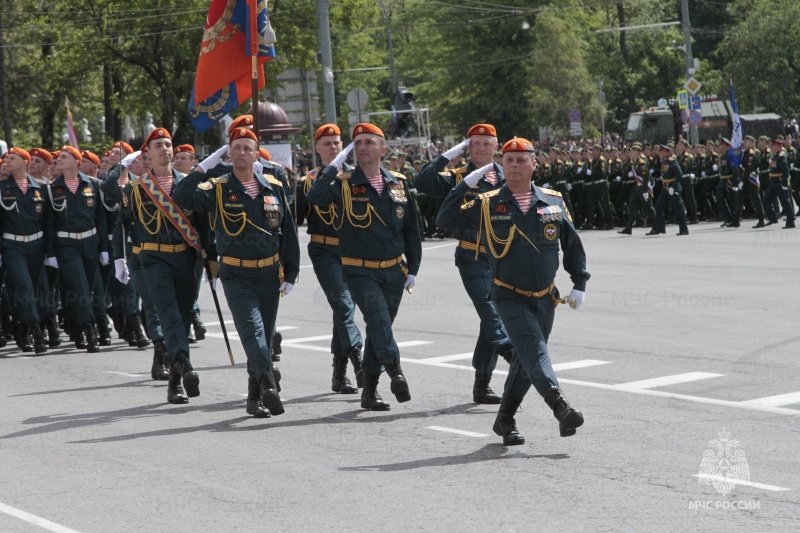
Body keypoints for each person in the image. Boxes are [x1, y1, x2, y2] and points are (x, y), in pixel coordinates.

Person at [436, 137, 588, 445]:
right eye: (509, 161)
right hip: (508, 295)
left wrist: (579, 282)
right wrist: (467, 181)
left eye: (521, 160)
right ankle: (560, 406)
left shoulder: (553, 200)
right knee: (534, 349)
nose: (515, 165)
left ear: (534, 164)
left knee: (525, 358)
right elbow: (445, 217)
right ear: (502, 167)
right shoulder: (486, 202)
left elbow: (571, 243)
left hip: (545, 296)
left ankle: (505, 419)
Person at [172, 127, 299, 418]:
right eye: (236, 147)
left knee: (264, 336)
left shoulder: (273, 186)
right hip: (236, 274)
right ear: (229, 154)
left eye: (247, 148)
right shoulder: (217, 187)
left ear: (256, 155)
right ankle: (268, 383)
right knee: (252, 332)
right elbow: (181, 198)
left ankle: (254, 399)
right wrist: (201, 168)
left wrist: (291, 271)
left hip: (269, 273)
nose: (241, 152)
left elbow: (287, 231)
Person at [306, 123, 422, 411]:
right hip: (359, 269)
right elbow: (315, 197)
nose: (362, 147)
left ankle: (369, 391)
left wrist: (414, 268)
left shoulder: (399, 182)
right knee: (379, 320)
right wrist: (333, 165)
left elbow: (410, 229)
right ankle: (396, 371)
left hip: (395, 270)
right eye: (357, 143)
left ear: (383, 149)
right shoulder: (343, 184)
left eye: (369, 142)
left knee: (378, 330)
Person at [415, 123, 513, 404]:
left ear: (497, 147)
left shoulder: (509, 177)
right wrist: (449, 155)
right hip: (472, 256)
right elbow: (422, 182)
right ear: (467, 148)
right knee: (489, 308)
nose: (481, 148)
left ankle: (482, 383)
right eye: (475, 143)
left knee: (492, 317)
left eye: (487, 143)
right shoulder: (457, 176)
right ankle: (511, 353)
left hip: (503, 258)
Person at [117, 128, 209, 404]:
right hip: (153, 259)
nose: (165, 149)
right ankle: (184, 364)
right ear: (147, 153)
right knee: (168, 312)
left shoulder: (190, 183)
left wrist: (211, 260)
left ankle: (175, 381)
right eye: (158, 145)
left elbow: (203, 225)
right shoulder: (136, 188)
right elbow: (121, 224)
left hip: (185, 258)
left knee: (182, 317)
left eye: (168, 144)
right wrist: (120, 258)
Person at [295, 124, 364, 394]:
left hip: (354, 252)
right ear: (317, 149)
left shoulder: (357, 177)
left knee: (342, 312)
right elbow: (292, 222)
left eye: (337, 143)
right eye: (327, 144)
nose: (333, 147)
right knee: (344, 305)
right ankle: (358, 359)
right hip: (325, 251)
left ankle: (339, 373)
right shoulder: (308, 182)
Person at [47, 146, 108, 352]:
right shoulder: (52, 188)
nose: (59, 160)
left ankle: (76, 324)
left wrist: (104, 248)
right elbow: (49, 224)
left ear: (76, 161)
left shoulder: (93, 184)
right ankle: (90, 329)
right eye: (59, 157)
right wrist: (51, 252)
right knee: (80, 286)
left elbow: (101, 218)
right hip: (66, 244)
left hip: (90, 241)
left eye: (65, 157)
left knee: (85, 288)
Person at [0, 148, 53, 354]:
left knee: (28, 289)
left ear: (24, 162)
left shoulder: (41, 188)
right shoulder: (2, 187)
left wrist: (50, 251)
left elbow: (48, 222)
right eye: (6, 159)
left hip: (36, 246)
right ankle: (35, 329)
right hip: (13, 245)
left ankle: (22, 327)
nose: (8, 161)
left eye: (12, 158)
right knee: (25, 288)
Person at [646, 144, 689, 236]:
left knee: (679, 208)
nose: (659, 153)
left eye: (660, 151)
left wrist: (673, 186)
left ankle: (684, 229)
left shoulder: (672, 161)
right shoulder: (664, 161)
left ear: (665, 152)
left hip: (672, 187)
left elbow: (679, 174)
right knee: (658, 206)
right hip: (665, 187)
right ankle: (660, 228)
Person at [764, 138, 796, 229]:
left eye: (773, 145)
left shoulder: (782, 155)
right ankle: (773, 217)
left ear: (778, 146)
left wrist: (785, 183)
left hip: (780, 182)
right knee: (766, 199)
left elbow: (785, 171)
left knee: (785, 202)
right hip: (773, 182)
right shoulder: (775, 155)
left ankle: (790, 222)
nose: (771, 147)